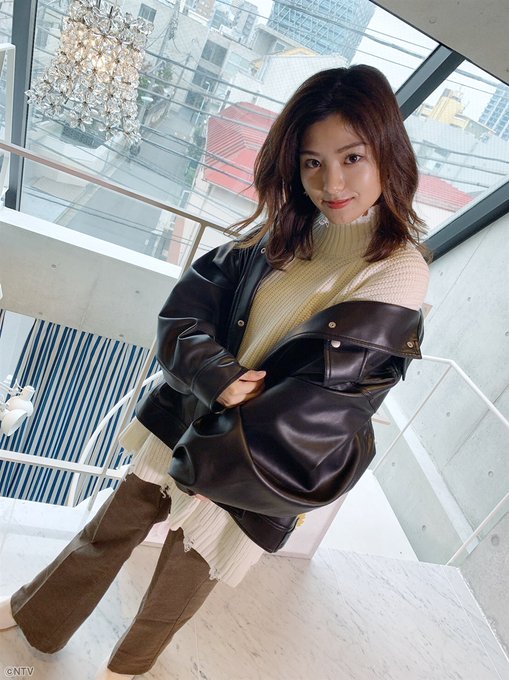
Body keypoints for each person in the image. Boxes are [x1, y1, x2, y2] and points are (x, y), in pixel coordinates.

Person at [0, 65, 429, 679]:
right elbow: (188, 310)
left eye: (352, 157)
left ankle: (126, 670)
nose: (331, 183)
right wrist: (214, 373)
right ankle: (36, 614)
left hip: (256, 455)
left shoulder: (399, 271)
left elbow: (328, 400)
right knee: (111, 527)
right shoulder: (289, 228)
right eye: (312, 162)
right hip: (192, 408)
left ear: (388, 150)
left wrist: (224, 443)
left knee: (183, 576)